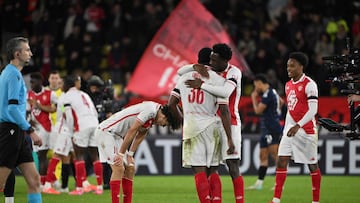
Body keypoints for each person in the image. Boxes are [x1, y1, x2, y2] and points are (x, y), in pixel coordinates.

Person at [179, 43, 244, 203]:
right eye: (210, 59)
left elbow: (226, 92)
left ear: (224, 60)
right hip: (213, 123)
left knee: (232, 165)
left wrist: (202, 85)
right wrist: (195, 66)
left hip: (231, 122)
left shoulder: (234, 72)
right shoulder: (211, 72)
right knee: (210, 167)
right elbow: (181, 71)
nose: (211, 63)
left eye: (215, 60)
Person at [95, 101, 181, 203]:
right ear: (164, 117)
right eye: (164, 125)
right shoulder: (150, 111)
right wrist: (121, 154)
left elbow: (142, 133)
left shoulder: (154, 113)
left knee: (130, 168)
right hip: (106, 132)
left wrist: (130, 154)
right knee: (119, 168)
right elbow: (133, 130)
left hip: (117, 136)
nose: (162, 125)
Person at [270, 52, 321, 203]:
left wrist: (298, 126)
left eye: (292, 65)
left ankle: (315, 201)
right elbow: (291, 109)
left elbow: (313, 110)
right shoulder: (288, 84)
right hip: (291, 128)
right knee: (281, 160)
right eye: (287, 66)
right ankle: (276, 199)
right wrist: (287, 129)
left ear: (301, 66)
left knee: (312, 165)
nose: (289, 68)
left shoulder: (309, 84)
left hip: (307, 131)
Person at [0, 37, 43, 203]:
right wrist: (30, 131)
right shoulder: (13, 75)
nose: (30, 53)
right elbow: (11, 108)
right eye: (27, 50)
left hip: (16, 131)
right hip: (10, 131)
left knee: (34, 181)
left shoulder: (9, 73)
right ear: (17, 53)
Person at [61, 75, 103, 195]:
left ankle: (79, 188)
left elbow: (69, 116)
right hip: (94, 124)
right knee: (95, 156)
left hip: (81, 125)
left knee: (79, 156)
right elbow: (94, 112)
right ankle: (99, 187)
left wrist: (71, 131)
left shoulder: (67, 96)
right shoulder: (85, 94)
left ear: (67, 85)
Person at [248, 74, 283, 190]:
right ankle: (259, 184)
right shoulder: (273, 92)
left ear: (259, 82)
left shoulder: (268, 94)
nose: (255, 88)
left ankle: (279, 184)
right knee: (262, 155)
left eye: (255, 85)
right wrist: (276, 112)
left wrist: (253, 98)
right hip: (266, 128)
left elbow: (258, 111)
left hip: (272, 128)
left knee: (275, 154)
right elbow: (281, 102)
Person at [27, 72, 57, 188]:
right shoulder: (28, 95)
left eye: (33, 82)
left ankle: (45, 182)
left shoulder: (50, 94)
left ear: (40, 82)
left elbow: (54, 109)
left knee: (43, 155)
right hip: (34, 129)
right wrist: (28, 121)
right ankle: (45, 181)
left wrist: (39, 106)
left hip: (46, 128)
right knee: (40, 155)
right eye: (30, 82)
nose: (31, 84)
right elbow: (26, 111)